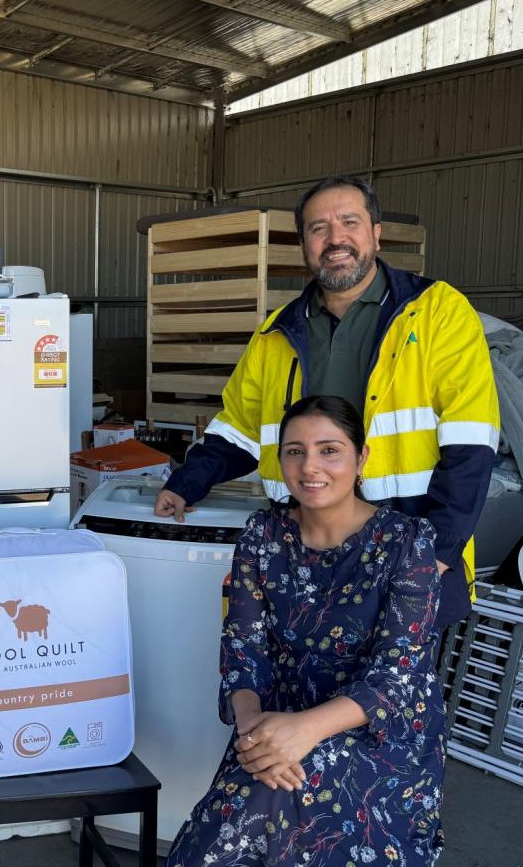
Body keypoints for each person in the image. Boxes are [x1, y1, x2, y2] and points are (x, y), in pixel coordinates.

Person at [155, 175, 498, 629]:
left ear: (376, 232)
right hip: (304, 556)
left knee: (393, 696)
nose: (335, 239)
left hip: (407, 552)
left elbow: (471, 448)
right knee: (304, 691)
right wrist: (185, 483)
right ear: (304, 244)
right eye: (319, 228)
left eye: (350, 222)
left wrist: (436, 556)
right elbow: (237, 428)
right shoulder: (276, 332)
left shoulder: (438, 313)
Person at [168, 395, 445, 866]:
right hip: (276, 725)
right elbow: (242, 648)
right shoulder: (262, 536)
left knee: (260, 802)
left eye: (329, 450)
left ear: (361, 458)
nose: (310, 466)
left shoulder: (406, 541)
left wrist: (302, 732)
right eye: (294, 450)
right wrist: (255, 731)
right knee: (260, 791)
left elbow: (399, 673)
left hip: (373, 734)